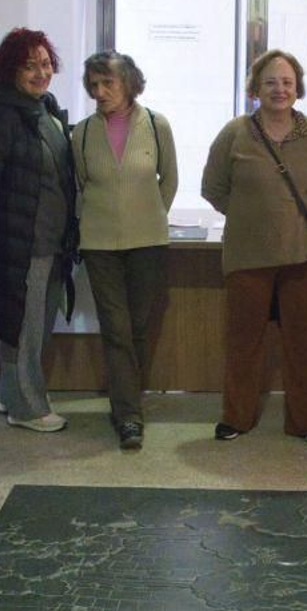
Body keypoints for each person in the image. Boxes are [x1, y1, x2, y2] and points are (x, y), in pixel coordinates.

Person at [202, 49, 307, 444]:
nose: (279, 89)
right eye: (270, 82)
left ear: (298, 88)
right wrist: (249, 217)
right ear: (255, 88)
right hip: (246, 258)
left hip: (302, 256)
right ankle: (237, 417)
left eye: (287, 82)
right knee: (244, 342)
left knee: (303, 344)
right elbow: (213, 188)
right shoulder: (235, 133)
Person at [0, 27, 78, 433]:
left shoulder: (43, 109)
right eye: (29, 65)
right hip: (22, 244)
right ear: (9, 69)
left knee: (26, 325)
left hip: (49, 242)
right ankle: (27, 407)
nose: (40, 72)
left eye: (45, 64)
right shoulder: (2, 117)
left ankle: (7, 393)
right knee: (24, 329)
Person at [70, 51, 178, 450]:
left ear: (128, 83)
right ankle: (129, 417)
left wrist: (148, 217)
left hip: (147, 242)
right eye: (93, 85)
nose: (99, 92)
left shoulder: (155, 124)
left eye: (107, 83)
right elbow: (82, 186)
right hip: (99, 245)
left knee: (137, 328)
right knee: (116, 330)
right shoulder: (80, 134)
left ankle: (126, 402)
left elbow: (169, 180)